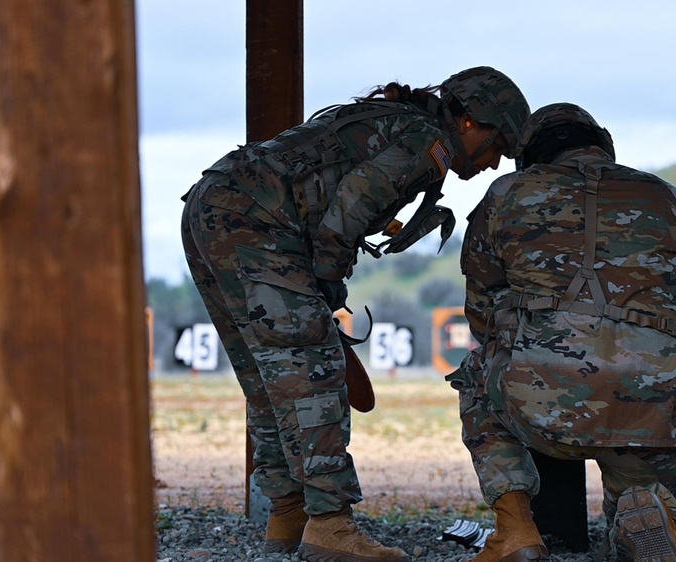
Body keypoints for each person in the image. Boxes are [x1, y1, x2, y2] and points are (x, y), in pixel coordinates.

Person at [180, 67, 529, 561]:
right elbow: (346, 213)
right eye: (497, 144)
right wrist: (326, 283)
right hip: (256, 221)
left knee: (269, 376)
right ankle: (329, 526)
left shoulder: (395, 122)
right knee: (312, 370)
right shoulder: (426, 146)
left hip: (213, 207)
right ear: (470, 123)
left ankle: (289, 514)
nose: (494, 162)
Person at [451, 103, 676, 562]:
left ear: (531, 156)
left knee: (475, 372)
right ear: (603, 144)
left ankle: (517, 529)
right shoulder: (670, 199)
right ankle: (645, 508)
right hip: (653, 415)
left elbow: (483, 318)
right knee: (640, 491)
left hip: (541, 410)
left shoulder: (506, 195)